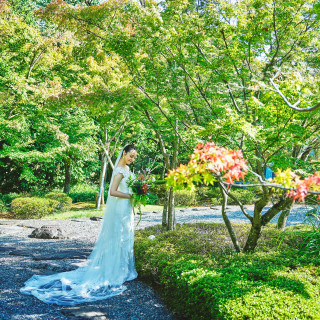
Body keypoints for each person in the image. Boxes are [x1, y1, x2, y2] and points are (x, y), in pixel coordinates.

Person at [20, 144, 139, 305]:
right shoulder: (119, 170)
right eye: (130, 155)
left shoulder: (126, 169)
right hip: (120, 210)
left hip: (126, 210)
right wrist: (130, 195)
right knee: (117, 239)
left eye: (134, 157)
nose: (132, 159)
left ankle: (123, 270)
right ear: (124, 153)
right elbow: (112, 192)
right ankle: (115, 272)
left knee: (124, 238)